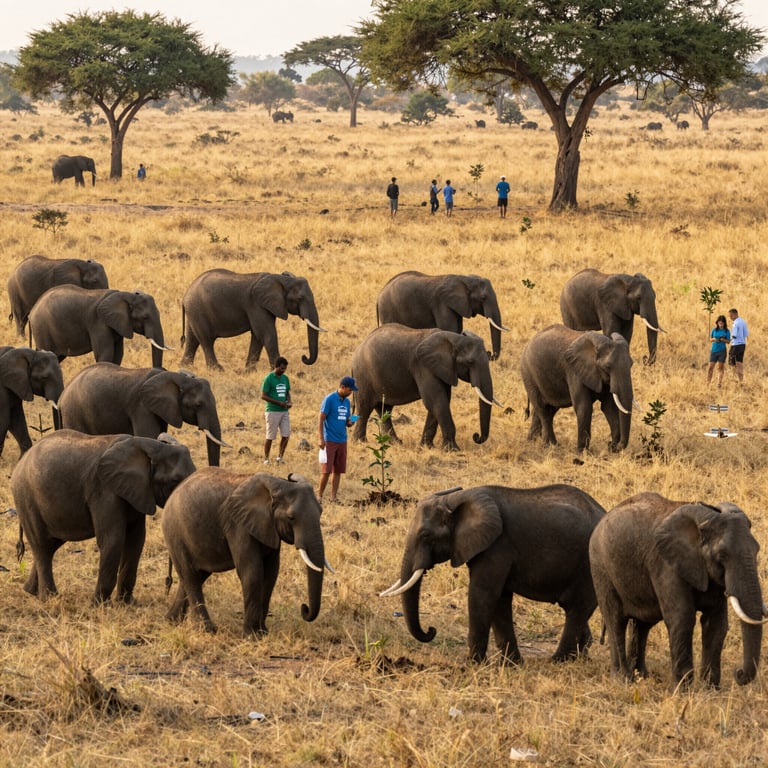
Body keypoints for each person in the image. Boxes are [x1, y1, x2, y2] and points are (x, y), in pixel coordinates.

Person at [318, 375, 357, 502]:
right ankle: (319, 496)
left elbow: (346, 421)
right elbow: (321, 418)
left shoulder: (346, 402)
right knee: (326, 471)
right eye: (349, 390)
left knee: (338, 470)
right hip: (329, 439)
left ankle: (333, 497)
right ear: (342, 387)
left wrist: (351, 422)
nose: (351, 393)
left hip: (342, 440)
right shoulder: (329, 399)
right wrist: (321, 438)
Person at [261, 356, 291, 464]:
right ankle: (266, 459)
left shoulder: (285, 378)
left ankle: (280, 457)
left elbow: (287, 392)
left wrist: (289, 401)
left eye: (285, 369)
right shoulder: (268, 378)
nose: (283, 371)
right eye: (282, 369)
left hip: (284, 411)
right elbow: (263, 396)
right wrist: (278, 403)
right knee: (270, 436)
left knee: (286, 435)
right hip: (272, 411)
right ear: (276, 367)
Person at [707, 315, 730, 388]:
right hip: (714, 350)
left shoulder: (727, 331)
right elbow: (710, 339)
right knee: (710, 367)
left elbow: (728, 341)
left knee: (720, 367)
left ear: (724, 323)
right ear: (717, 322)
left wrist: (723, 340)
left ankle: (719, 383)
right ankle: (708, 383)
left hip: (722, 351)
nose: (720, 324)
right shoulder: (714, 330)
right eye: (719, 323)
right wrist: (714, 339)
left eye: (722, 323)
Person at [728, 307, 748, 383]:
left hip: (735, 345)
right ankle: (741, 380)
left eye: (731, 316)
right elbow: (746, 334)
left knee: (732, 362)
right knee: (739, 362)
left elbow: (734, 335)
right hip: (742, 345)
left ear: (735, 314)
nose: (730, 318)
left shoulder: (735, 323)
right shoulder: (743, 322)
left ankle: (733, 378)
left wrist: (728, 340)